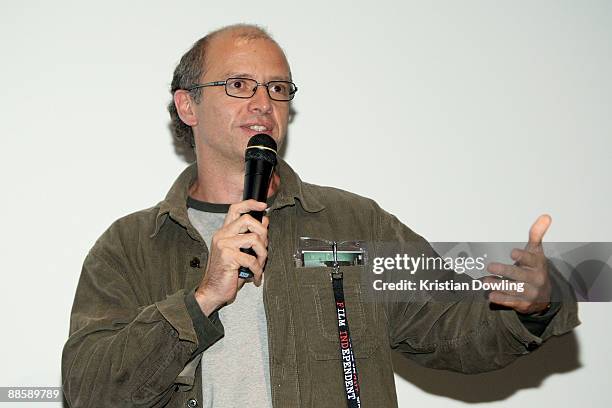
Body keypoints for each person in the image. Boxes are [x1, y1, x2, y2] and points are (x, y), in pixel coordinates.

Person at [61, 24, 579, 408]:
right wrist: (202, 301)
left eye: (278, 88)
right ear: (188, 106)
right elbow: (89, 389)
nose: (264, 102)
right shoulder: (129, 246)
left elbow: (454, 326)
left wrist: (534, 305)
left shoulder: (354, 224)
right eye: (239, 85)